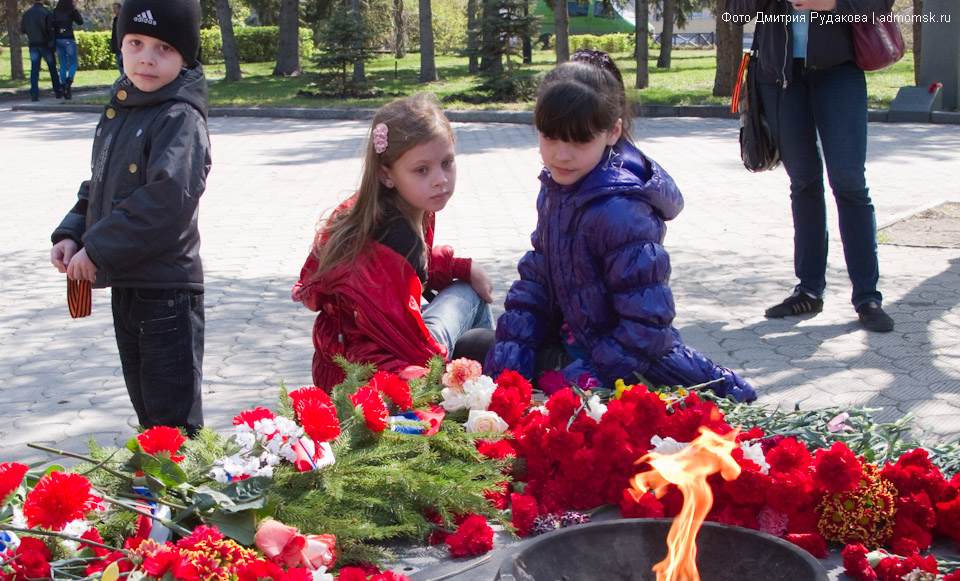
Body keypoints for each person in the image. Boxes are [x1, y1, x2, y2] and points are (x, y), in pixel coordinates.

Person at [485, 51, 756, 402]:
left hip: (622, 367)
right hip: (576, 342)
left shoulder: (620, 212)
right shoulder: (558, 190)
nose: (561, 155)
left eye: (579, 140)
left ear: (612, 132)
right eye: (550, 137)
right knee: (482, 351)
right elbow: (536, 280)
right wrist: (509, 367)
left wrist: (582, 381)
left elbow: (645, 330)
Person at [49, 0, 211, 436]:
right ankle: (155, 478)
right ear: (120, 44)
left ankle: (185, 482)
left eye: (164, 48)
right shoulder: (126, 108)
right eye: (135, 42)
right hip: (129, 282)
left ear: (186, 56)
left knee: (172, 422)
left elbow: (165, 201)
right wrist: (73, 233)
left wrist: (98, 249)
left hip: (167, 292)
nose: (147, 58)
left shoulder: (179, 117)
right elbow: (101, 186)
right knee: (148, 415)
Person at [292, 92, 495, 391]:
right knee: (469, 294)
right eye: (422, 170)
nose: (440, 179)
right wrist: (445, 379)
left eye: (447, 163)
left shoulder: (374, 208)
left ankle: (487, 383)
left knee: (468, 286)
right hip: (377, 377)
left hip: (346, 363)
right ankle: (492, 387)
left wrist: (461, 266)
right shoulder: (396, 233)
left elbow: (411, 273)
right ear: (387, 175)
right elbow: (408, 346)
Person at [728, 0, 895, 332]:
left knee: (849, 182)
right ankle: (808, 290)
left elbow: (879, 3)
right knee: (803, 183)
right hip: (779, 76)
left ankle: (867, 297)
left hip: (839, 70)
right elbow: (735, 11)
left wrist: (830, 3)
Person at [20, 0, 63, 102]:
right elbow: (49, 28)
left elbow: (23, 29)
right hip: (45, 44)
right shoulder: (46, 12)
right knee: (52, 68)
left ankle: (34, 94)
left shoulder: (27, 14)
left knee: (34, 70)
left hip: (33, 44)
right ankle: (57, 91)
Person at [52, 0, 83, 99]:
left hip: (58, 38)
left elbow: (51, 24)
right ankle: (69, 81)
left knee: (62, 64)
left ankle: (63, 84)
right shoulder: (71, 11)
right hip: (68, 37)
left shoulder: (55, 12)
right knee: (73, 63)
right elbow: (80, 21)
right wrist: (75, 9)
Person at [110, 2, 122, 72]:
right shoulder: (115, 19)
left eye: (115, 8)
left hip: (121, 45)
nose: (114, 10)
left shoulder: (123, 19)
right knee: (119, 63)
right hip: (116, 45)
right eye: (113, 8)